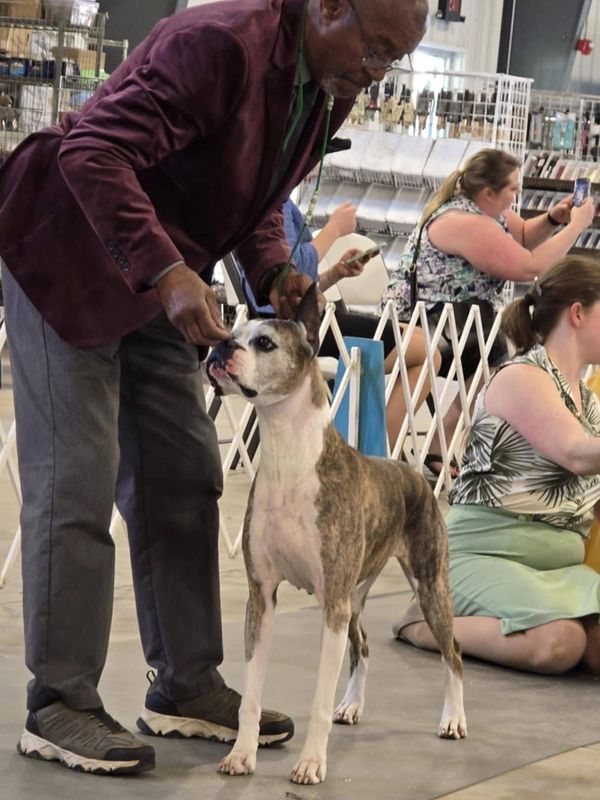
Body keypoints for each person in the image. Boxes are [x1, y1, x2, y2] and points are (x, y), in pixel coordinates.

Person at [0, 0, 428, 777]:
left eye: (393, 59)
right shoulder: (219, 44)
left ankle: (186, 684)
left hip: (162, 281)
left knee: (187, 474)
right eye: (375, 49)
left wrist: (273, 269)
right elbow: (92, 150)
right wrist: (166, 271)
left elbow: (253, 199)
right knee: (77, 480)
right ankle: (58, 703)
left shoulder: (326, 82)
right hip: (68, 253)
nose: (378, 73)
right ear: (329, 7)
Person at [395, 256, 600, 675]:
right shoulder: (522, 377)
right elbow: (574, 452)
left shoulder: (590, 401)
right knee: (560, 644)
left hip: (557, 565)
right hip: (481, 555)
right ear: (578, 313)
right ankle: (423, 623)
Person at [379, 147, 595, 477]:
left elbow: (523, 235)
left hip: (460, 321)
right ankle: (399, 450)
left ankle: (439, 443)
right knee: (493, 363)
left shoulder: (486, 212)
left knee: (492, 367)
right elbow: (529, 266)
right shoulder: (463, 222)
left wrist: (554, 219)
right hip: (426, 320)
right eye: (512, 189)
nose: (517, 196)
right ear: (488, 192)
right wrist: (576, 227)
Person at [239, 196, 441, 449]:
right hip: (295, 329)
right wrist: (334, 229)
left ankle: (375, 443)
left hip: (302, 321)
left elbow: (294, 287)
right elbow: (284, 269)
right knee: (427, 353)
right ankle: (377, 450)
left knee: (420, 340)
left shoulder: (276, 200)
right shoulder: (275, 201)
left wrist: (334, 274)